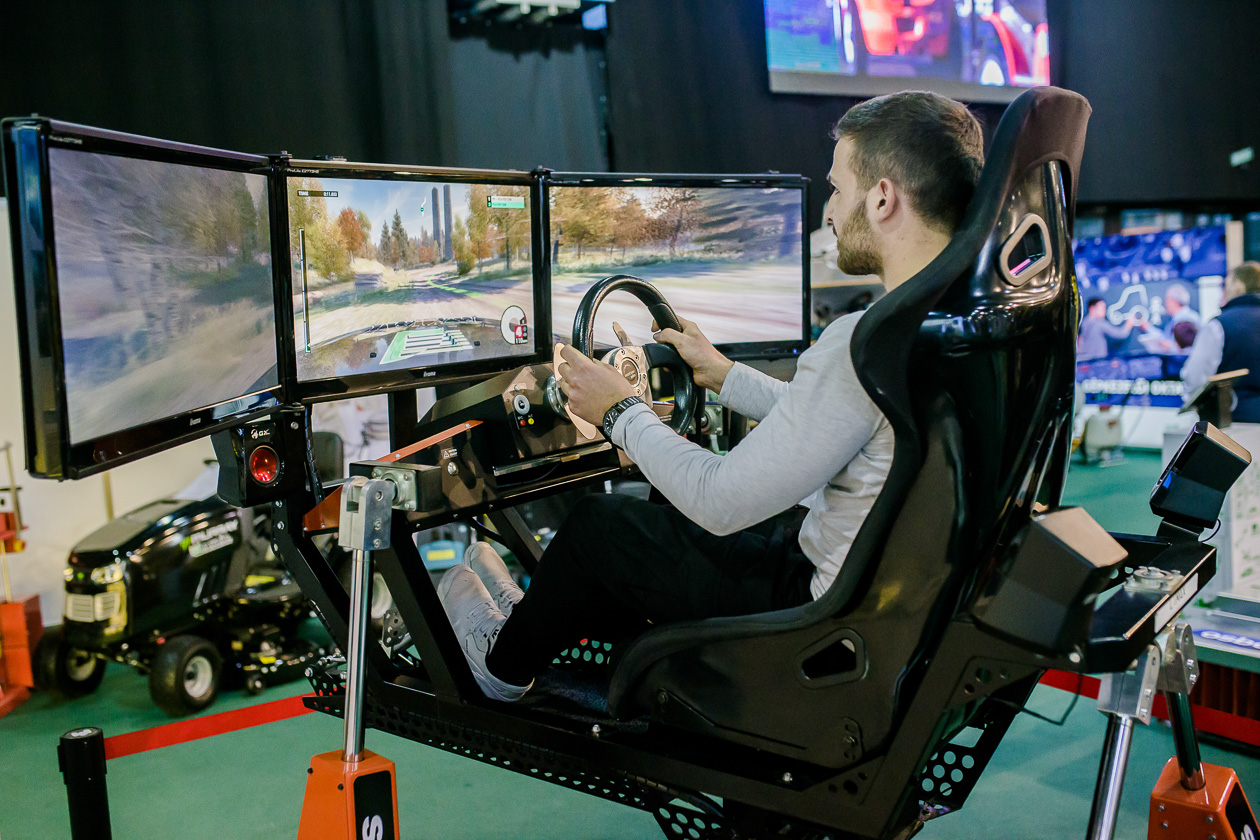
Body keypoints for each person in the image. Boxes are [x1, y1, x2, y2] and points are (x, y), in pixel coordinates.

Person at [437, 91, 986, 701]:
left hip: (815, 618)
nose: (829, 212)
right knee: (668, 520)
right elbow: (834, 421)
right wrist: (725, 375)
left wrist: (618, 411)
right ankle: (533, 618)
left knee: (601, 526)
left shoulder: (865, 341)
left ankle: (501, 666)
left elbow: (720, 501)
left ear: (882, 199)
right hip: (885, 610)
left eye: (836, 189)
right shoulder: (955, 325)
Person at [1181, 262, 1260, 422]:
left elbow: (1195, 379)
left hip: (1238, 423)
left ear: (1238, 284)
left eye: (1226, 284)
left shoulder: (1220, 324)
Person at [1077, 297, 1138, 361]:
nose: (1105, 311)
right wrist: (1129, 324)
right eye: (1102, 308)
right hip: (1098, 362)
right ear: (1092, 308)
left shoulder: (1083, 323)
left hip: (1083, 362)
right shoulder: (1099, 323)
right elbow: (1121, 334)